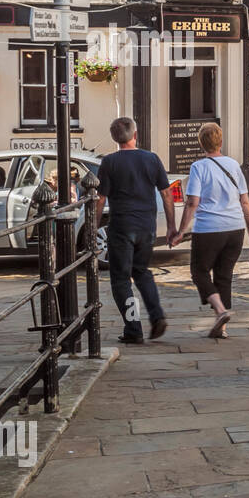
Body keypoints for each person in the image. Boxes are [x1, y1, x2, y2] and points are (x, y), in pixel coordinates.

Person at [94, 117, 177, 345]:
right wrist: (171, 226)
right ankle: (157, 315)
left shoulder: (109, 162)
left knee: (121, 279)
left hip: (121, 227)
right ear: (135, 134)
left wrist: (93, 227)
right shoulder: (151, 158)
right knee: (141, 271)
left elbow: (100, 199)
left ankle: (133, 329)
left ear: (114, 138)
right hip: (146, 226)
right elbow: (166, 193)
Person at [169, 123, 249, 339]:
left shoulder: (199, 167)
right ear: (221, 142)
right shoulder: (234, 165)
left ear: (201, 144)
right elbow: (244, 201)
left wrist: (181, 231)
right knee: (224, 276)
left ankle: (220, 310)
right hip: (235, 228)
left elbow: (192, 203)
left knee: (199, 272)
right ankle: (221, 328)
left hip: (209, 229)